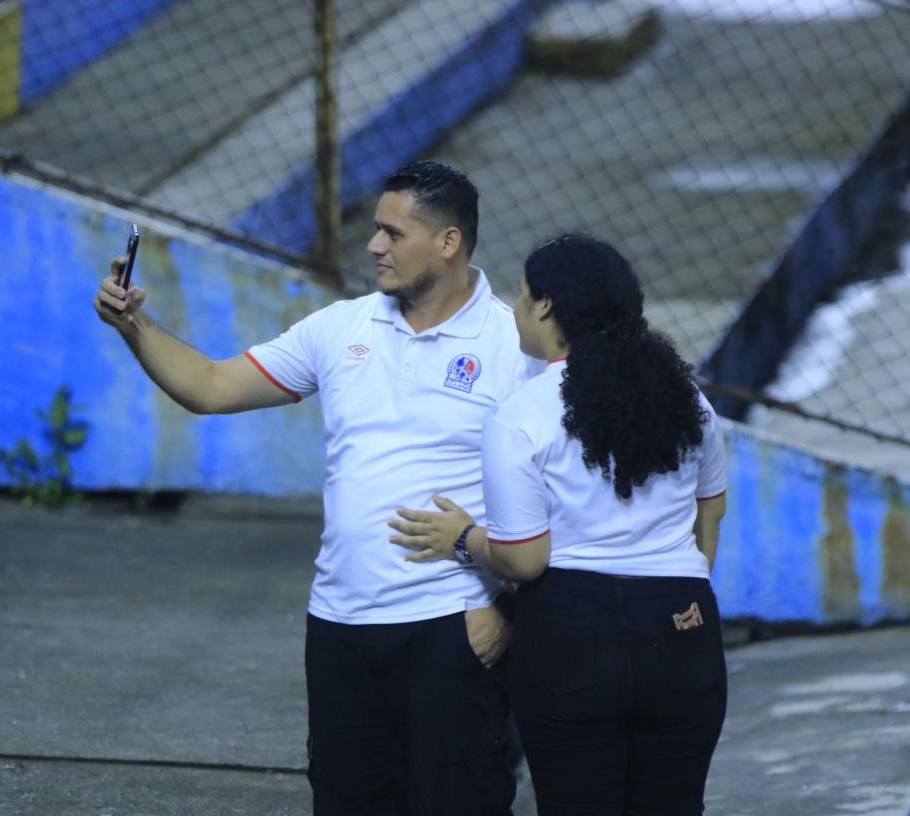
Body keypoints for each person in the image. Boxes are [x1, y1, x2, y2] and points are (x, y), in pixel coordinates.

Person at [94, 160, 540, 815]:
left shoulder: (512, 343)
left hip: (452, 629)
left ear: (448, 243)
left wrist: (508, 613)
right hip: (340, 628)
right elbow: (212, 387)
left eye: (392, 233)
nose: (373, 245)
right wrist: (134, 325)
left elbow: (564, 495)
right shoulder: (342, 329)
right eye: (376, 231)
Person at [389, 233, 729, 815]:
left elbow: (526, 560)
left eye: (521, 297)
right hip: (682, 629)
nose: (517, 308)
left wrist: (465, 540)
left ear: (546, 306)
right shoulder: (689, 404)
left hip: (573, 636)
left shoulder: (523, 414)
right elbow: (710, 516)